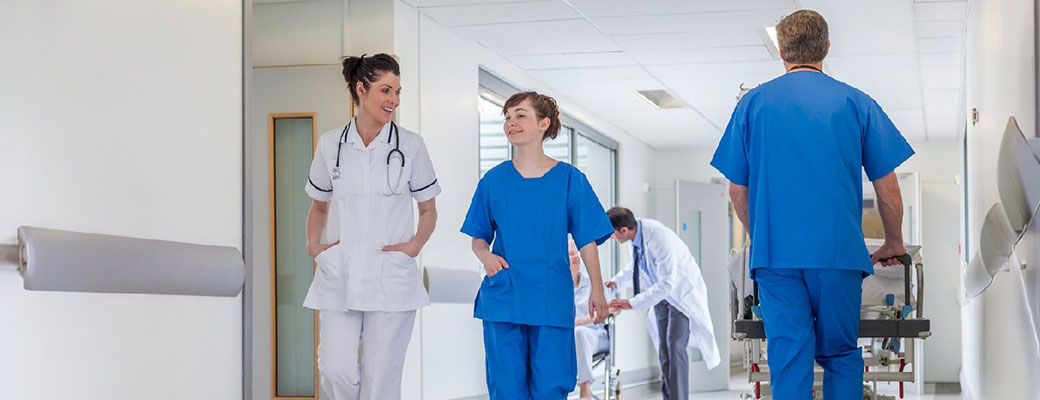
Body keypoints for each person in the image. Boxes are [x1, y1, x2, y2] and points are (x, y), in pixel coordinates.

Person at [710, 10, 913, 400]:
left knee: (788, 357)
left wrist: (765, 237)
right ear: (827, 49)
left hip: (777, 261)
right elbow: (886, 185)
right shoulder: (857, 103)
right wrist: (894, 243)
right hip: (839, 257)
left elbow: (738, 191)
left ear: (782, 51)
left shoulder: (752, 105)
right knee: (840, 353)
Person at [302, 53, 441, 400]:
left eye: (397, 91)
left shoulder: (410, 145)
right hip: (340, 274)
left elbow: (428, 210)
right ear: (361, 89)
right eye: (385, 90)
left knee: (381, 383)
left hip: (390, 278)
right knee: (335, 371)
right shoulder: (331, 144)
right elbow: (319, 205)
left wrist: (413, 247)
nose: (393, 100)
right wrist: (313, 247)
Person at [461, 91, 614, 399]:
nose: (510, 123)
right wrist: (485, 255)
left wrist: (597, 288)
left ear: (544, 124)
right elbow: (478, 236)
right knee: (506, 388)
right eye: (506, 117)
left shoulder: (570, 179)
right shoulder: (493, 181)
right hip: (504, 294)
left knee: (550, 387)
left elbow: (586, 240)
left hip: (549, 296)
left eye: (520, 115)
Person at [604, 207, 720, 400]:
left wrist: (632, 303)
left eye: (612, 234)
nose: (611, 238)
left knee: (675, 347)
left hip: (679, 296)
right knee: (664, 350)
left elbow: (668, 283)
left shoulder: (657, 236)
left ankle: (678, 398)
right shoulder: (636, 238)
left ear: (623, 230)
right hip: (661, 297)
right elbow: (635, 266)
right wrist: (616, 282)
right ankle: (670, 397)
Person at [570, 240, 609, 400]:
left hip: (595, 336)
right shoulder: (557, 288)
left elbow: (611, 308)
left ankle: (585, 392)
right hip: (567, 338)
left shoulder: (593, 283)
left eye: (576, 253)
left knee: (580, 333)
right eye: (571, 254)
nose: (577, 257)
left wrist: (583, 320)